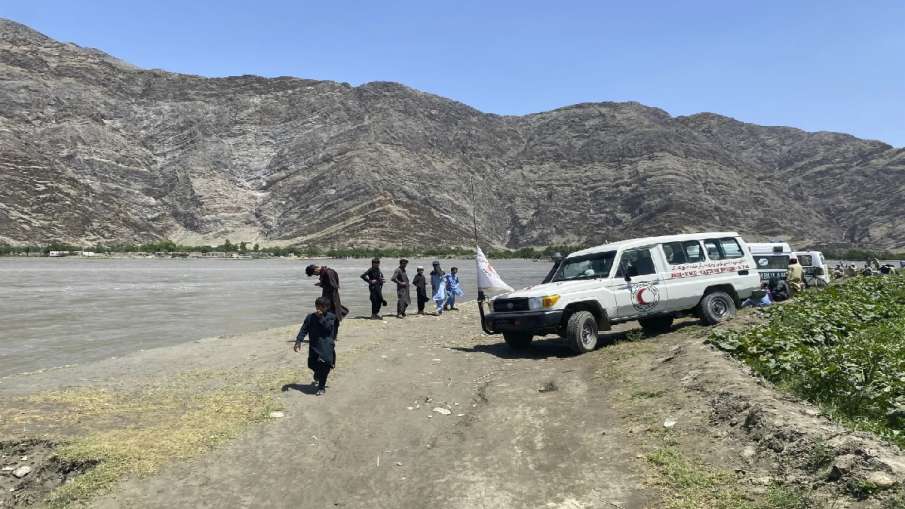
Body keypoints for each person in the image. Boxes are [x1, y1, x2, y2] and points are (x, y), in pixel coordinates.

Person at [293, 296, 336, 396]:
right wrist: (298, 341)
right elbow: (304, 329)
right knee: (311, 364)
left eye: (322, 307)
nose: (319, 309)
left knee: (325, 366)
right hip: (314, 345)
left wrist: (321, 318)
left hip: (326, 345)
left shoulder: (331, 317)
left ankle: (321, 387)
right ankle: (317, 374)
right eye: (317, 306)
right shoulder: (310, 317)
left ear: (327, 307)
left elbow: (328, 329)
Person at [305, 264, 348, 336]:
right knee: (330, 315)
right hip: (328, 298)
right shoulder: (325, 272)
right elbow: (330, 284)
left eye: (314, 274)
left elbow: (333, 286)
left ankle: (333, 335)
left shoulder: (328, 272)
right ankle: (332, 335)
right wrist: (321, 284)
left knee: (333, 316)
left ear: (315, 270)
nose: (316, 275)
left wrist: (322, 284)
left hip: (331, 299)